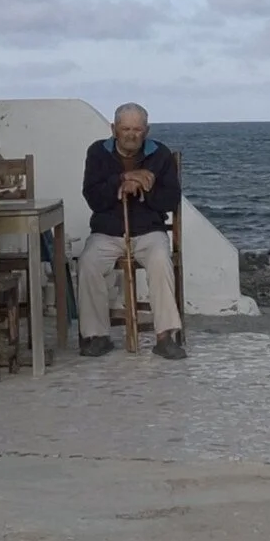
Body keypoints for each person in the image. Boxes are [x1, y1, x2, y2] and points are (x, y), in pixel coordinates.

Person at [78, 102, 185, 360]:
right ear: (114, 129)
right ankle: (96, 336)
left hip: (149, 232)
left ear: (146, 131)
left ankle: (165, 336)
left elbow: (170, 200)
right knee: (88, 263)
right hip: (108, 232)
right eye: (125, 128)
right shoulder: (97, 153)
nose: (131, 134)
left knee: (161, 261)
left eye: (137, 129)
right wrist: (122, 180)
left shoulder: (160, 155)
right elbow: (93, 197)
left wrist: (144, 188)